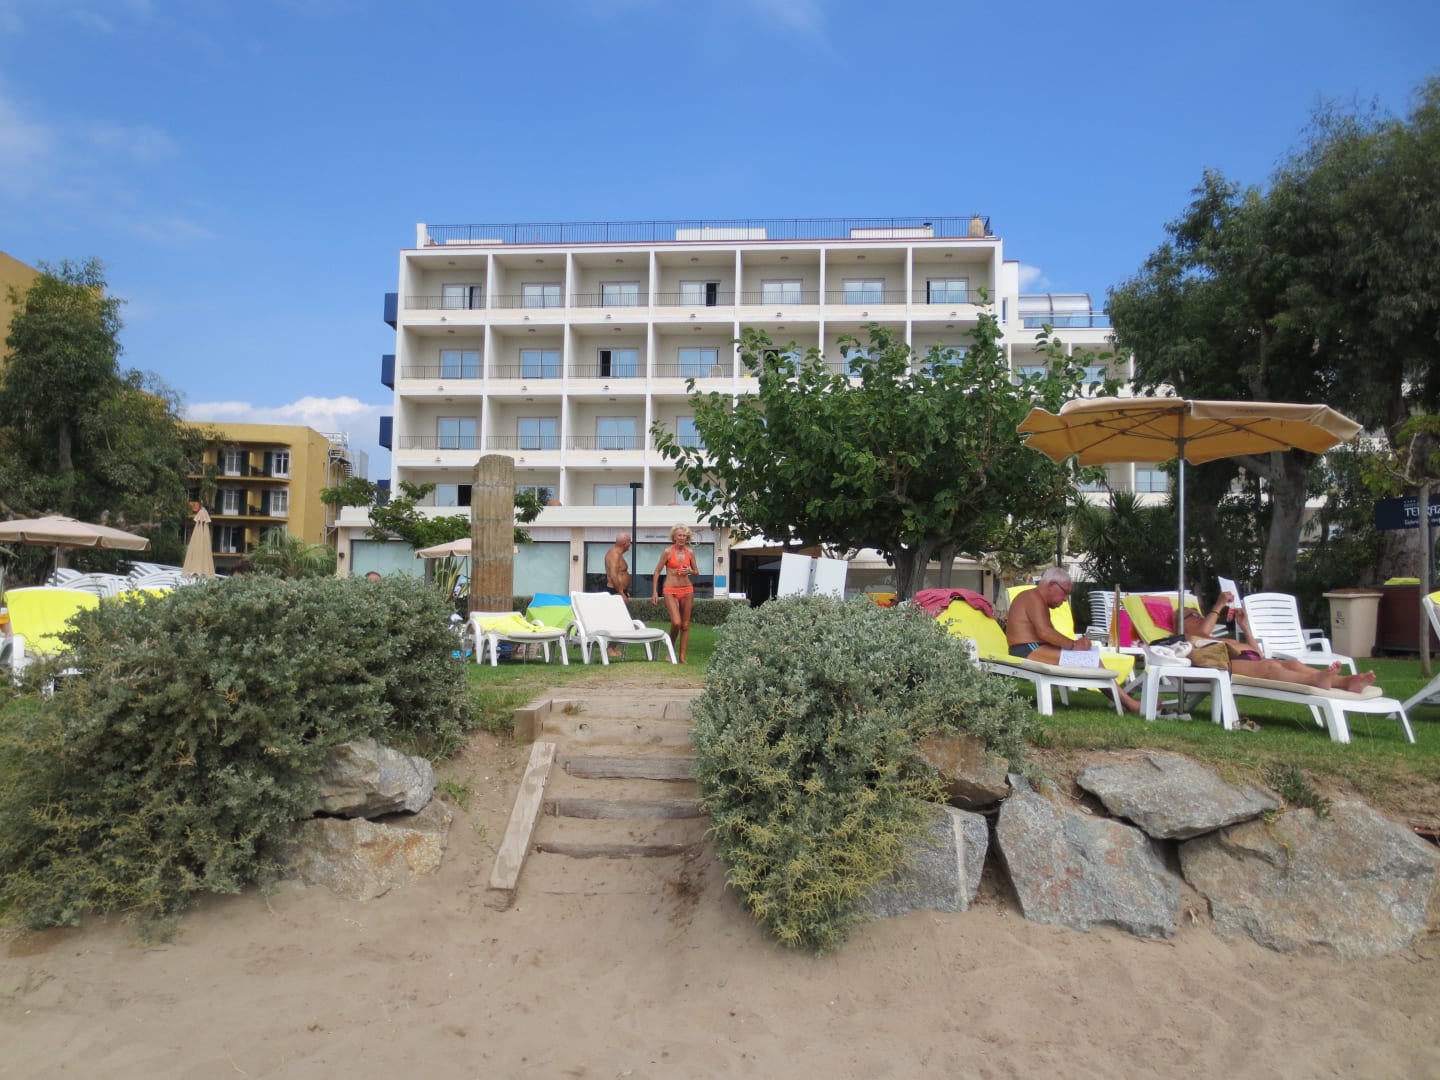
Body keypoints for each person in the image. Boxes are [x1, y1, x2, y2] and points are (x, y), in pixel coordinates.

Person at [1006, 567, 1142, 714]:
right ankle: (1130, 704)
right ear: (1051, 585)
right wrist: (1073, 645)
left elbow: (1047, 634)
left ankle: (1126, 702)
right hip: (1027, 650)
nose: (1065, 599)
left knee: (1091, 658)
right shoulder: (1033, 597)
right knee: (1090, 659)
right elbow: (1045, 633)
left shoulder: (1035, 598)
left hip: (1033, 648)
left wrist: (1075, 645)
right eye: (1065, 592)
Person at [1183, 592, 1378, 692]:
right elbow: (1202, 633)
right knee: (1270, 667)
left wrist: (1244, 627)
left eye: (1199, 614)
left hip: (1248, 659)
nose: (1199, 616)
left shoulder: (1215, 637)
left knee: (1293, 664)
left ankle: (1347, 682)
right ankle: (1315, 680)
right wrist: (1218, 605)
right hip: (1221, 665)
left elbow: (1257, 654)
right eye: (1193, 615)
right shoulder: (1189, 637)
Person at [651, 525, 697, 664]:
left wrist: (689, 571)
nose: (682, 538)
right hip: (670, 589)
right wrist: (655, 592)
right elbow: (657, 571)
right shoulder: (667, 552)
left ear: (687, 537)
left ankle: (682, 657)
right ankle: (670, 650)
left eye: (684, 536)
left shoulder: (690, 552)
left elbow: (696, 572)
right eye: (679, 535)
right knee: (676, 622)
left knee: (685, 625)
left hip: (687, 589)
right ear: (674, 537)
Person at [604, 532, 632, 599]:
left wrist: (625, 591)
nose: (630, 544)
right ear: (624, 543)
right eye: (629, 542)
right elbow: (613, 575)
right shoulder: (614, 554)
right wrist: (621, 593)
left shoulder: (618, 554)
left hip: (620, 591)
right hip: (615, 592)